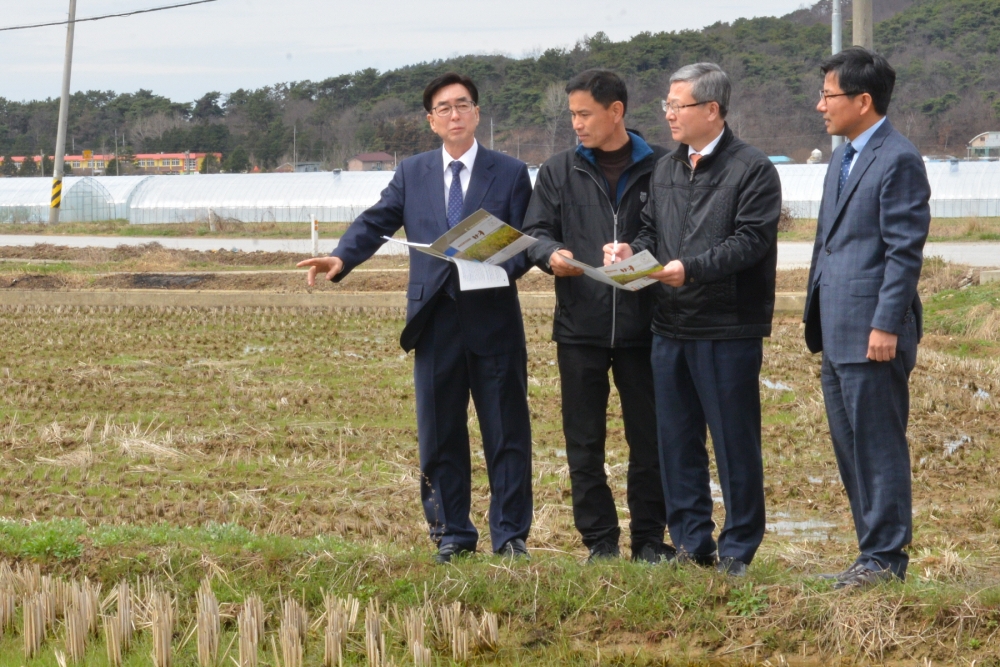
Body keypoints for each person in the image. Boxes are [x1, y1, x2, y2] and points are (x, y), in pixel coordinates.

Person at [298, 73, 535, 564]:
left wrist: (494, 262)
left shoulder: (510, 172)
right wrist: (341, 258)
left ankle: (510, 536)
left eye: (463, 105)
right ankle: (451, 533)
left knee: (506, 431)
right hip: (433, 321)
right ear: (431, 120)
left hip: (492, 318)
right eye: (443, 108)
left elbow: (526, 240)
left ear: (476, 113)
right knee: (440, 431)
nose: (454, 114)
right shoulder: (414, 172)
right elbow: (377, 220)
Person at [604, 63, 782, 577]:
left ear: (712, 109)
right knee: (676, 442)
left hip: (726, 327)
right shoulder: (666, 167)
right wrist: (627, 252)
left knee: (733, 443)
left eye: (676, 105)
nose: (667, 114)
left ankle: (737, 549)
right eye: (666, 104)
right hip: (669, 326)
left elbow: (750, 241)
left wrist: (692, 270)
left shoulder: (751, 169)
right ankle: (690, 543)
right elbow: (651, 235)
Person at [522, 69, 673, 564]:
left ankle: (649, 541)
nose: (577, 124)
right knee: (583, 442)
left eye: (585, 114)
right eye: (572, 115)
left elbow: (672, 234)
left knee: (649, 439)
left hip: (645, 326)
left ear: (616, 112)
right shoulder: (559, 170)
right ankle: (600, 542)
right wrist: (551, 255)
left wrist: (639, 250)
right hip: (579, 327)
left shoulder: (664, 168)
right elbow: (537, 230)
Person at [805, 47, 930, 589]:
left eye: (829, 95)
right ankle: (870, 556)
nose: (820, 106)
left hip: (872, 332)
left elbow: (904, 251)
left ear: (863, 99)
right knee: (850, 447)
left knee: (878, 447)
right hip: (836, 330)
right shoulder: (842, 157)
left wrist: (886, 323)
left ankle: (886, 559)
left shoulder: (897, 158)